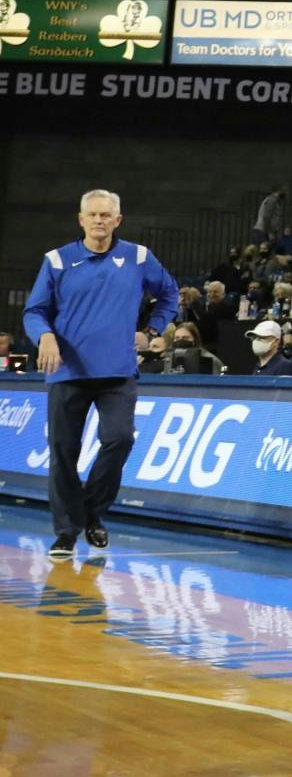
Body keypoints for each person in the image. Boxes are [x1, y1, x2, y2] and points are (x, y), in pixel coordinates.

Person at [24, 190, 180, 558]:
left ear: (117, 220)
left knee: (120, 439)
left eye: (106, 215)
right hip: (67, 372)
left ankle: (91, 512)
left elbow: (171, 295)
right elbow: (34, 310)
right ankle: (66, 532)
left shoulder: (139, 257)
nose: (99, 220)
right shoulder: (58, 260)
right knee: (64, 452)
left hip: (118, 371)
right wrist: (44, 336)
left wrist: (153, 330)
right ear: (80, 219)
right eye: (92, 215)